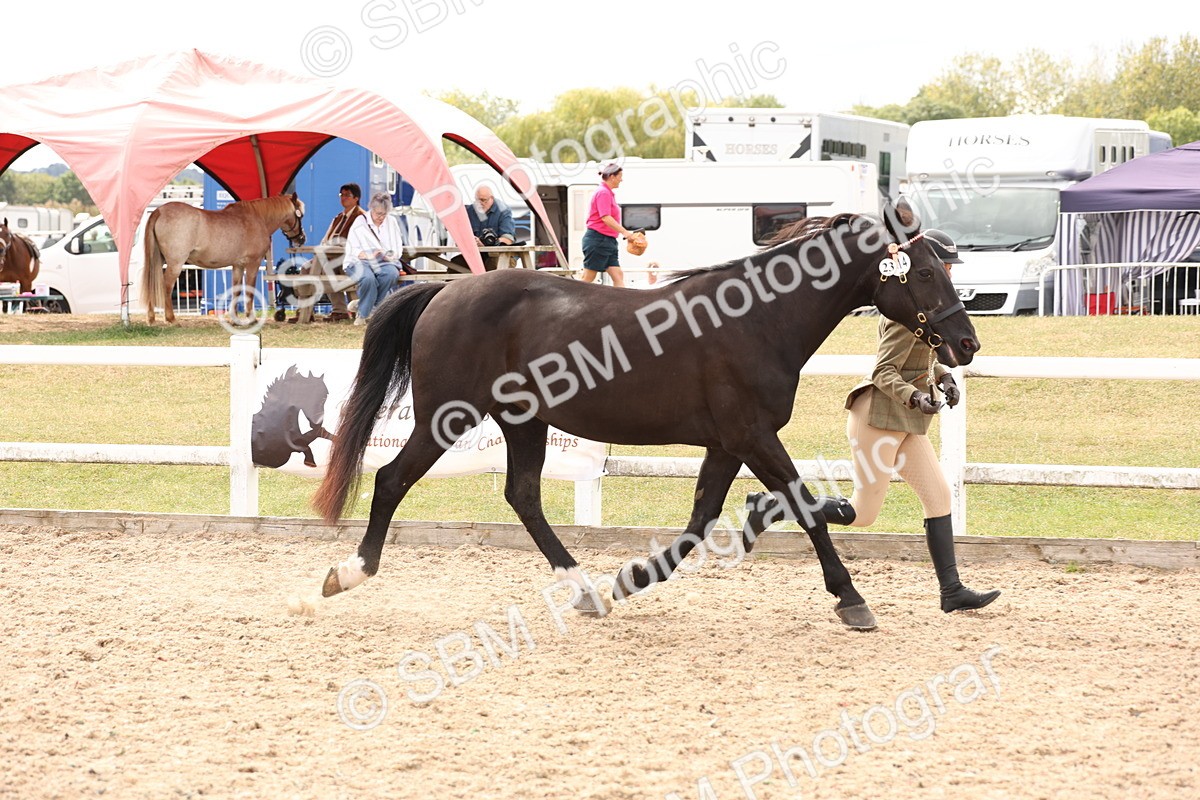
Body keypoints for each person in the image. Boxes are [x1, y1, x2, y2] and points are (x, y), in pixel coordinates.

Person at [742, 229, 1000, 614]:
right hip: (878, 418)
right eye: (946, 266)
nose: (949, 273)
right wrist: (915, 396)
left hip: (906, 422)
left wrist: (944, 380)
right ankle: (772, 508)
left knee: (939, 496)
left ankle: (952, 590)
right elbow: (885, 371)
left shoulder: (928, 307)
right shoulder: (903, 316)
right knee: (862, 513)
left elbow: (924, 361)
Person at [344, 192, 404, 326]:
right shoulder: (360, 221)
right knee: (368, 279)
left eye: (384, 214)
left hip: (384, 261)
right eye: (378, 214)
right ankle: (362, 315)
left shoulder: (391, 221)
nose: (381, 217)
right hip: (359, 261)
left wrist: (391, 255)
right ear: (371, 209)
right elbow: (352, 249)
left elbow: (397, 246)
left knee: (391, 274)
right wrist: (368, 255)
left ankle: (363, 304)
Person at [314, 182, 366, 322]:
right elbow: (325, 239)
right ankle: (305, 310)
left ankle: (340, 310)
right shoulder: (338, 217)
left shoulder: (361, 217)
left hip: (351, 259)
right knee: (307, 269)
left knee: (327, 268)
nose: (343, 198)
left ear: (356, 198)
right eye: (341, 195)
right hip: (331, 257)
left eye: (347, 195)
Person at [581, 162, 636, 288]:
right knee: (588, 278)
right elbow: (605, 217)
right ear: (612, 177)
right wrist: (625, 232)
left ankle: (622, 306)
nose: (621, 180)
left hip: (608, 240)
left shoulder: (608, 193)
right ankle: (569, 304)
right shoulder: (603, 193)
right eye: (620, 176)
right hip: (598, 239)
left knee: (618, 275)